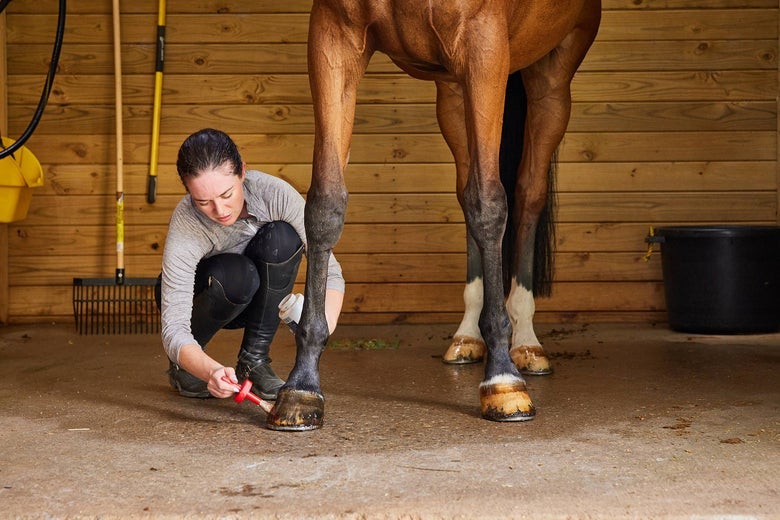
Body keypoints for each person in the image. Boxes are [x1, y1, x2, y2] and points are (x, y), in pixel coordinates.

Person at [157, 128, 345, 401]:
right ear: (188, 193)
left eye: (226, 194)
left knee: (283, 236)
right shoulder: (186, 222)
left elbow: (331, 272)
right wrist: (209, 371)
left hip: (257, 301)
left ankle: (253, 362)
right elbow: (173, 328)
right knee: (238, 274)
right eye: (203, 202)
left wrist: (320, 327)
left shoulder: (275, 194)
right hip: (208, 296)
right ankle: (182, 367)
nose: (220, 211)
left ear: (243, 172)